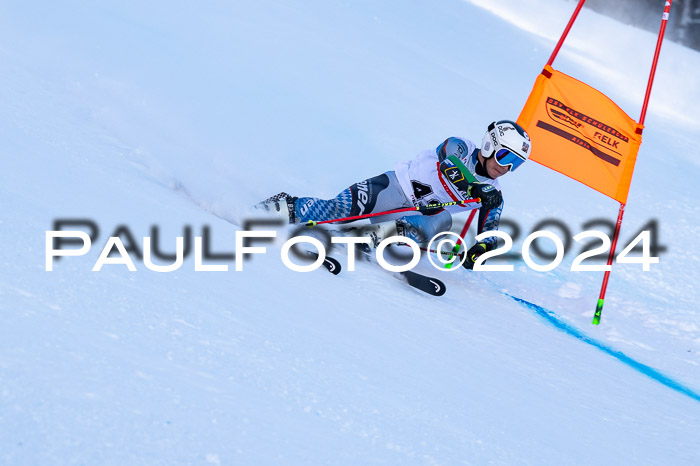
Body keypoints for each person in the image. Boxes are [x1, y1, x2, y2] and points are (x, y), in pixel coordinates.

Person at [257, 120, 531, 269]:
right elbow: (450, 166)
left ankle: (368, 238)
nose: (505, 167)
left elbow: (490, 232)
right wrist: (474, 187)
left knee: (441, 219)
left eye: (515, 164)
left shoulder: (492, 194)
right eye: (505, 156)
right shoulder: (459, 147)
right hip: (392, 187)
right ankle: (281, 208)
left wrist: (480, 250)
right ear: (488, 145)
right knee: (336, 211)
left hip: (415, 216)